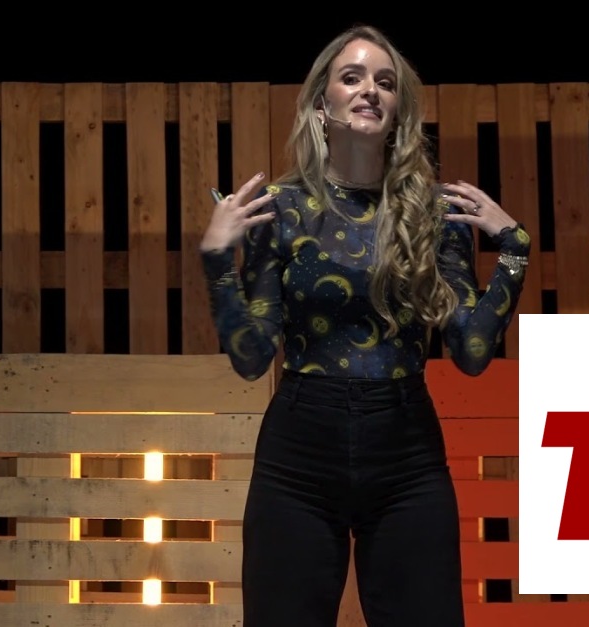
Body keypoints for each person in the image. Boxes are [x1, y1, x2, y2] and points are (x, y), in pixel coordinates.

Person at [198, 24, 530, 627]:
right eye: (351, 77)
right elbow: (251, 356)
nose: (370, 90)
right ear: (320, 106)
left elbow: (472, 350)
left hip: (407, 455)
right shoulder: (282, 208)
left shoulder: (435, 212)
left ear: (399, 109)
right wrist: (219, 259)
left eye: (385, 82)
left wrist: (513, 250)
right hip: (300, 454)